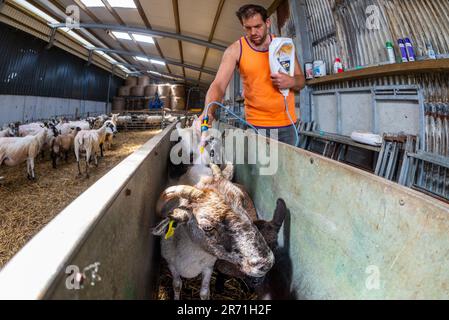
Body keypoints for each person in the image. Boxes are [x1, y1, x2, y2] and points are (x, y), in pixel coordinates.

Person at [199, 4, 306, 145]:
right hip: (257, 125)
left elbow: (301, 81)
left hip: (287, 123)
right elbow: (218, 85)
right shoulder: (235, 50)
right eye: (248, 28)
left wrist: (291, 81)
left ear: (267, 23)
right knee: (263, 166)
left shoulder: (284, 46)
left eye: (258, 26)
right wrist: (209, 111)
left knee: (288, 166)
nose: (253, 32)